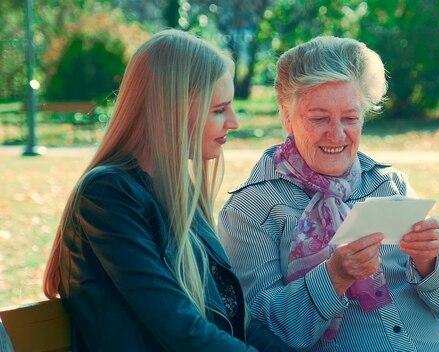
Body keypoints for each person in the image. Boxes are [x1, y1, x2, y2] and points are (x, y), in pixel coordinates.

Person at [219, 36, 439, 351]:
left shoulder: (387, 183)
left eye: (350, 118)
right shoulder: (250, 208)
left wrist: (430, 260)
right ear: (287, 117)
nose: (337, 134)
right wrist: (334, 277)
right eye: (319, 118)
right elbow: (259, 331)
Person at [42, 29, 292, 352]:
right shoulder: (108, 196)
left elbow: (236, 320)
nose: (234, 122)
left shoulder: (177, 191)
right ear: (172, 111)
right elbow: (180, 329)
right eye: (219, 110)